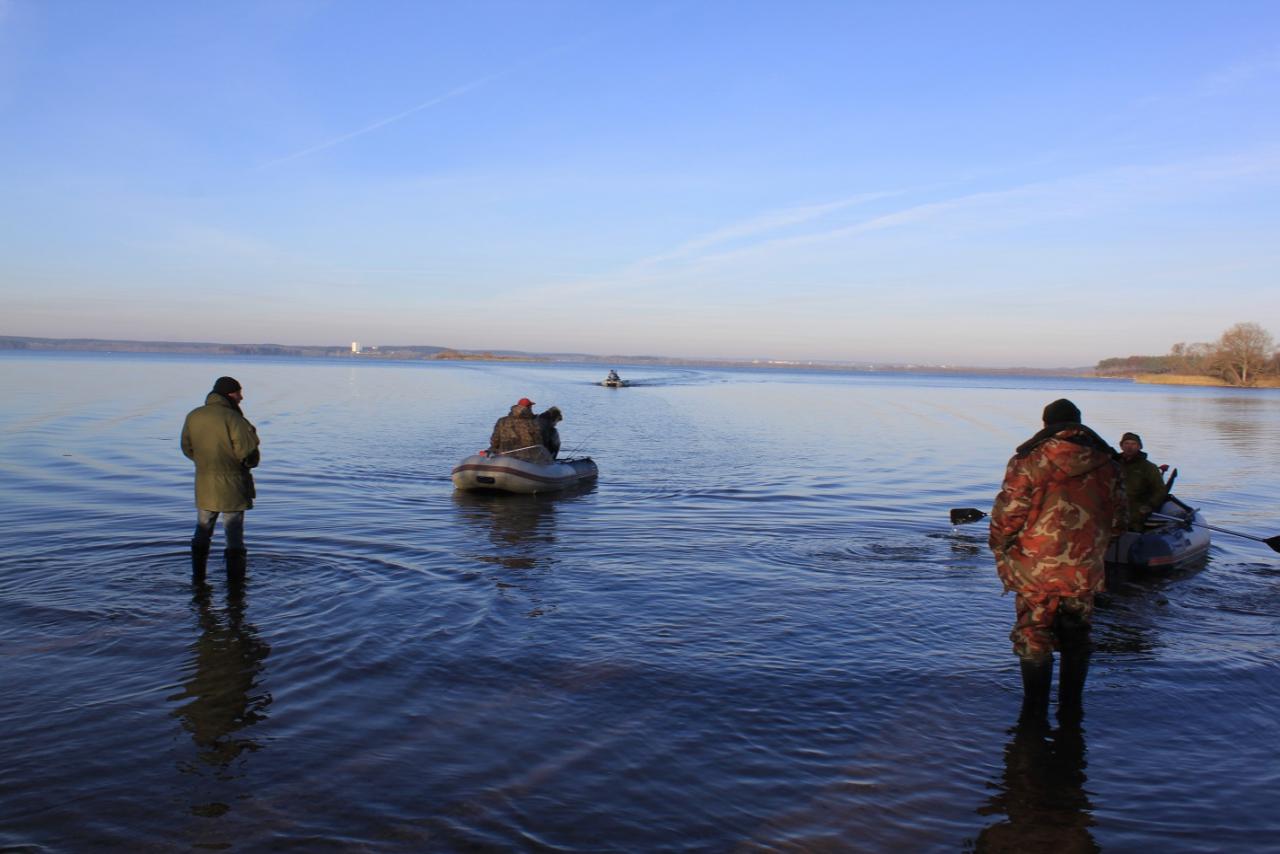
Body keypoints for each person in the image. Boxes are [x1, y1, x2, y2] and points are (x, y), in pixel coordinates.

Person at [988, 399, 1125, 724]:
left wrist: (1001, 550)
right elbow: (1119, 520)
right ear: (1078, 422)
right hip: (1083, 570)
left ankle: (1033, 714)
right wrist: (1093, 549)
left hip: (1034, 570)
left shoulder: (1028, 460)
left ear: (1046, 424)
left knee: (1034, 635)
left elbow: (1008, 516)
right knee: (1077, 636)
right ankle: (1071, 709)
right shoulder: (1108, 462)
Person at [181, 376, 260, 582]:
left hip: (205, 484)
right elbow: (247, 452)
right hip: (233, 485)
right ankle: (236, 585)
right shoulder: (234, 418)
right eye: (238, 392)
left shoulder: (194, 415)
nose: (241, 397)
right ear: (229, 394)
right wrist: (247, 463)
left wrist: (205, 464)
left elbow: (187, 448)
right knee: (234, 536)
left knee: (202, 530)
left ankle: (198, 578)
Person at [1116, 431, 1167, 531]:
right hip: (1114, 506)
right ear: (1121, 446)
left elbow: (1160, 491)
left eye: (1133, 444)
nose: (1129, 447)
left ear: (1139, 447)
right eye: (1126, 443)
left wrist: (1149, 506)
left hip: (1136, 509)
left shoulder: (1149, 467)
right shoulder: (1112, 463)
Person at [488, 398, 552, 463]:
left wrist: (493, 450)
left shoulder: (502, 421)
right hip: (528, 459)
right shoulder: (534, 423)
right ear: (529, 407)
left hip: (505, 456)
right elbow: (539, 442)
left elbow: (494, 441)